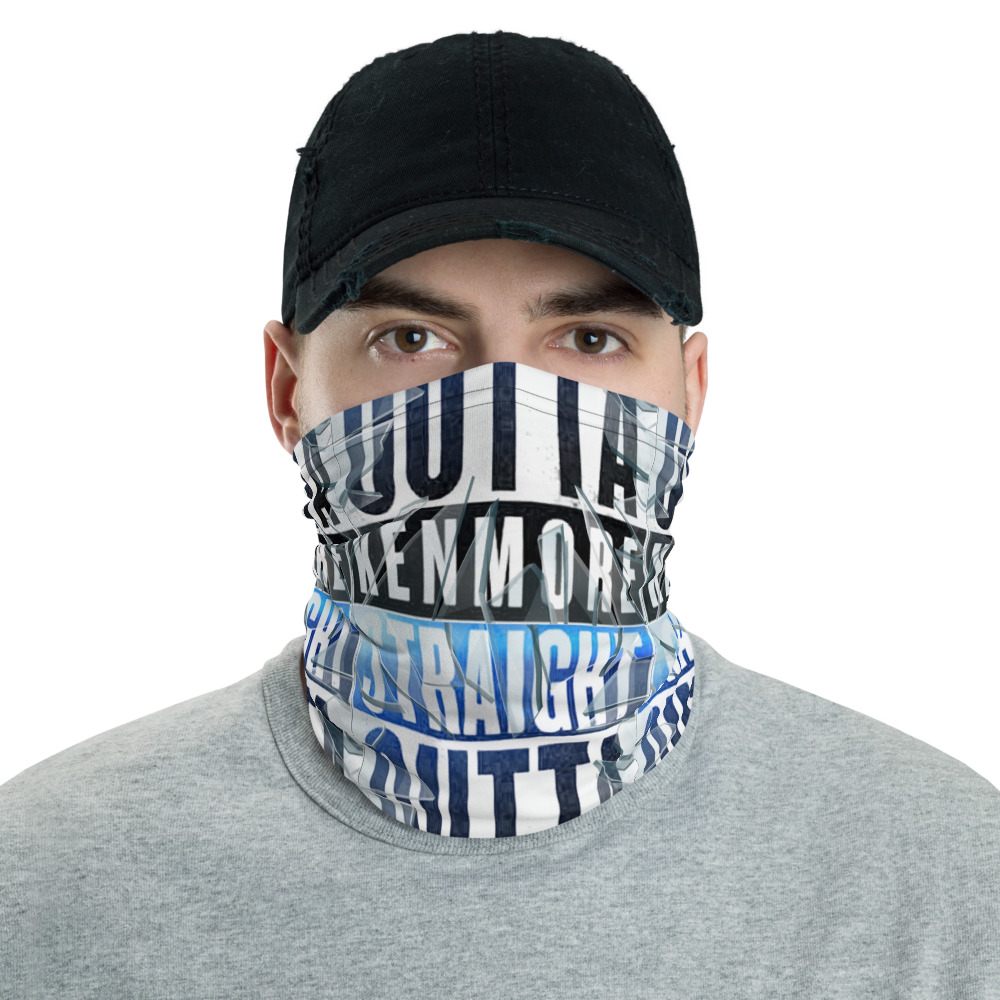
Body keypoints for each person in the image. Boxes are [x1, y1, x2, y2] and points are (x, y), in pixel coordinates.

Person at [2, 30, 997, 998]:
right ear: (286, 389)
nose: (507, 410)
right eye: (411, 338)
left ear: (691, 392)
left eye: (591, 339)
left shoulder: (943, 876)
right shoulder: (44, 884)